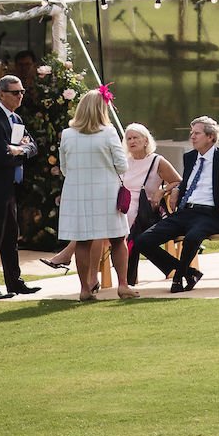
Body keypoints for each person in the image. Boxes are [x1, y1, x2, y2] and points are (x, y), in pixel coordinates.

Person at [131, 115, 219, 292]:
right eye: (191, 133)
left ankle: (178, 279)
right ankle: (188, 272)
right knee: (142, 241)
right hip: (186, 212)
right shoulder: (190, 157)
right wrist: (176, 190)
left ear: (210, 137)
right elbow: (189, 182)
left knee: (192, 238)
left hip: (212, 214)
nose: (192, 136)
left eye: (197, 133)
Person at [58, 89, 136, 302]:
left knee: (83, 241)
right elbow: (122, 165)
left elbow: (64, 168)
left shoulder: (67, 134)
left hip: (77, 192)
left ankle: (84, 288)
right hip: (106, 192)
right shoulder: (108, 132)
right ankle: (123, 285)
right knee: (118, 239)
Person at [0, 73, 40, 301]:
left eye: (22, 91)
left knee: (11, 239)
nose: (20, 96)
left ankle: (15, 282)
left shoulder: (16, 119)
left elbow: (34, 147)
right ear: (1, 94)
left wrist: (19, 150)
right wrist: (15, 151)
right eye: (15, 92)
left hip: (9, 190)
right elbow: (2, 157)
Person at [120, 123, 182, 286]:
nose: (132, 141)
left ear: (146, 141)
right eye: (129, 138)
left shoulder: (156, 160)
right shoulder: (124, 162)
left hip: (148, 212)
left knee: (135, 234)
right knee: (132, 232)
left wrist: (161, 191)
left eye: (136, 138)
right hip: (126, 207)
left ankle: (128, 280)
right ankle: (127, 280)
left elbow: (178, 181)